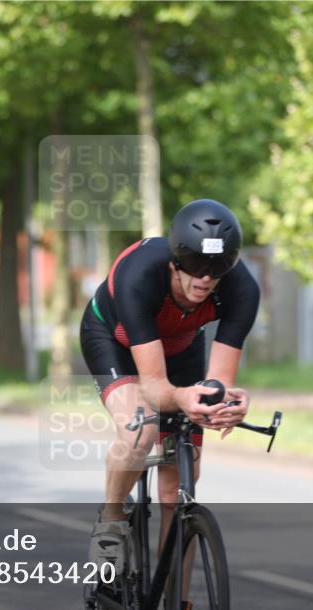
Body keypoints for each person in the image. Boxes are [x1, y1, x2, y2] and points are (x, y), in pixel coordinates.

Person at [80, 198, 260, 565]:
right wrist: (182, 399)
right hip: (115, 341)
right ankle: (111, 520)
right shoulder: (140, 273)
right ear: (175, 261)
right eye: (195, 265)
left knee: (178, 485)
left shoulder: (242, 290)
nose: (206, 278)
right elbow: (154, 388)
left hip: (181, 347)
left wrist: (223, 406)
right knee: (139, 431)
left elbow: (218, 384)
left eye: (217, 268)